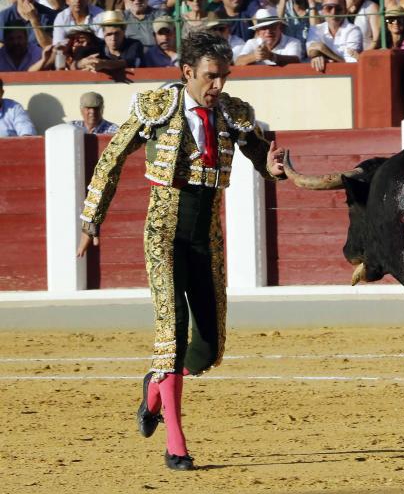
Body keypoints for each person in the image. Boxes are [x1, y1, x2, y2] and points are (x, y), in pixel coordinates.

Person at [76, 29, 287, 472]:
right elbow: (111, 159)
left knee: (208, 349)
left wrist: (273, 166)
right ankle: (176, 444)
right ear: (187, 72)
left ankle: (154, 388)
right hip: (163, 232)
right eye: (212, 77)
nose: (219, 86)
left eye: (224, 76)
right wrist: (91, 221)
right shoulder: (158, 107)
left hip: (207, 237)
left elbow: (263, 160)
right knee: (171, 338)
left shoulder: (232, 113)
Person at [306, 0, 362, 72]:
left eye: (338, 8)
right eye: (329, 8)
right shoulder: (316, 29)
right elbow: (310, 51)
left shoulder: (353, 30)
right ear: (323, 11)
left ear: (345, 11)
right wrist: (317, 56)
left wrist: (322, 49)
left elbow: (349, 64)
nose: (333, 12)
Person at [79, 10, 144, 72]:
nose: (113, 38)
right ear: (103, 33)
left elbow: (128, 62)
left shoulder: (134, 44)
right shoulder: (97, 46)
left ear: (124, 32)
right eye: (109, 34)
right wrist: (81, 63)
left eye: (117, 33)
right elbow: (74, 64)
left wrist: (104, 64)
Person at [235, 7, 303, 65]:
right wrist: (255, 56)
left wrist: (271, 56)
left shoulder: (293, 42)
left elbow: (296, 60)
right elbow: (238, 62)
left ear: (280, 28)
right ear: (258, 32)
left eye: (272, 27)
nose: (268, 31)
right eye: (264, 28)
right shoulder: (252, 43)